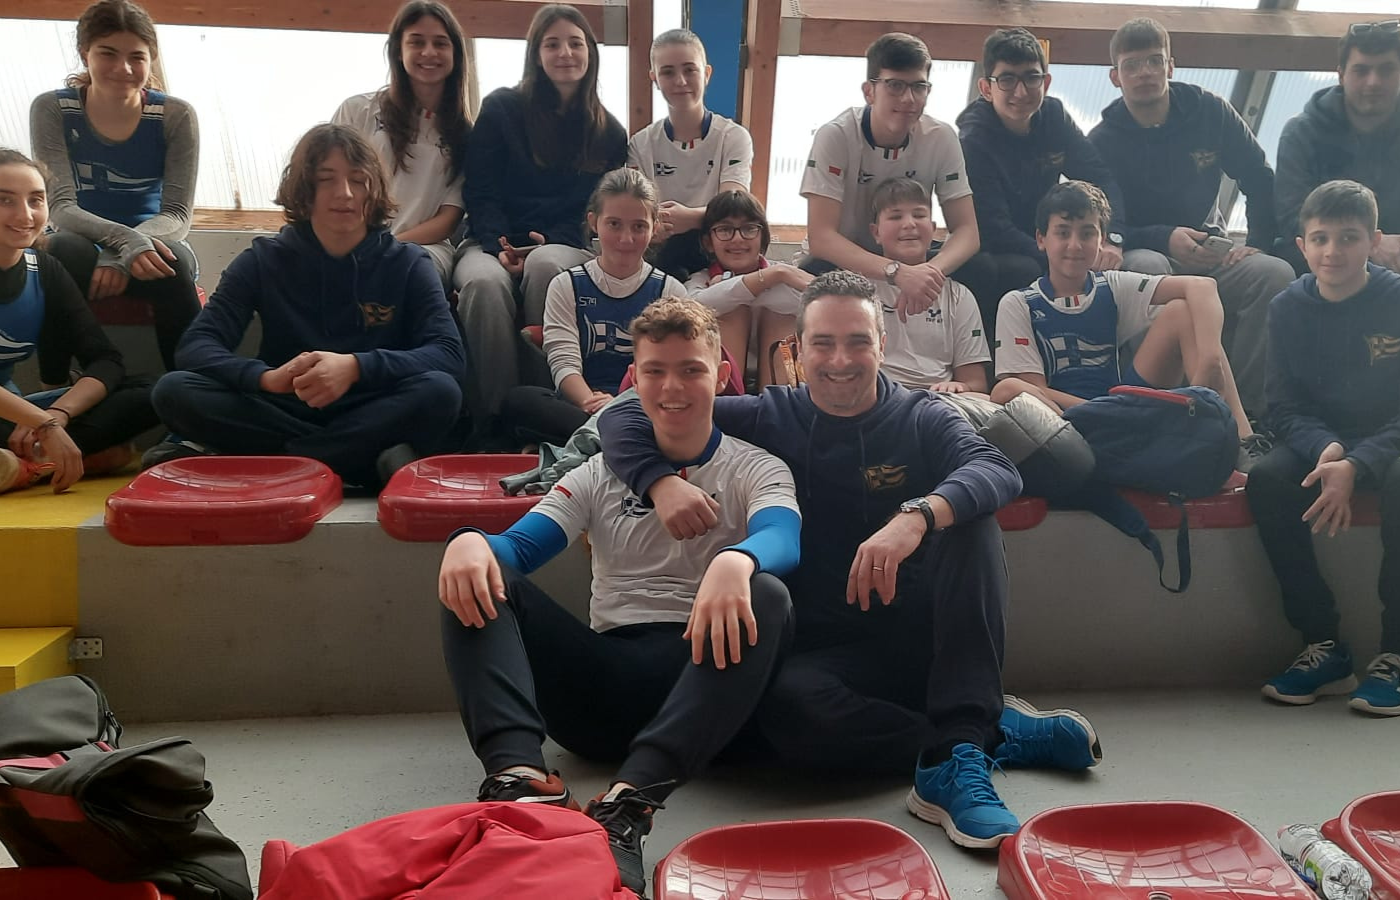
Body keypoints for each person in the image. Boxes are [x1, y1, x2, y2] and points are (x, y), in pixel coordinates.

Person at [600, 271, 1101, 851]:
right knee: (787, 714)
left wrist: (916, 515)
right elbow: (622, 416)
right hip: (829, 654)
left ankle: (954, 754)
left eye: (858, 341)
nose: (840, 360)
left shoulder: (922, 415)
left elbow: (996, 469)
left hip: (928, 638)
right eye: (824, 343)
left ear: (882, 346)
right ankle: (983, 733)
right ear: (796, 350)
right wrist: (659, 482)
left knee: (971, 521)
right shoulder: (768, 415)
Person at [439, 296, 800, 893]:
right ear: (634, 379)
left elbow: (783, 536)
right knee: (474, 571)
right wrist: (470, 541)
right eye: (655, 371)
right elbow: (520, 548)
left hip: (703, 682)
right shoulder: (597, 472)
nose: (672, 387)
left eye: (691, 370)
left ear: (722, 375)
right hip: (601, 690)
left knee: (769, 593)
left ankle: (628, 805)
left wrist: (737, 559)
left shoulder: (757, 468)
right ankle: (519, 781)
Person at [146, 124, 464, 488]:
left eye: (358, 180)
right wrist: (265, 378)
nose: (345, 193)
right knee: (173, 391)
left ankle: (280, 464)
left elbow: (448, 354)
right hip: (286, 406)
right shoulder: (263, 259)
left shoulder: (408, 262)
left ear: (373, 189)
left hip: (372, 405)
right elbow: (196, 346)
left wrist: (355, 367)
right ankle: (355, 463)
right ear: (304, 189)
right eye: (327, 180)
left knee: (440, 392)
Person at [1087, 17, 1294, 419]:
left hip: (1212, 254)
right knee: (1148, 269)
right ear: (1115, 77)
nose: (1145, 72)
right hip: (1147, 254)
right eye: (1132, 65)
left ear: (1171, 66)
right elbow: (1105, 226)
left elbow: (1258, 176)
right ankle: (1168, 412)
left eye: (1154, 61)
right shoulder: (1102, 142)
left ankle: (1247, 416)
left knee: (1274, 273)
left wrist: (1257, 243)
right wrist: (1164, 237)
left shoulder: (1210, 111)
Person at [1247, 180, 1400, 717]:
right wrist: (1329, 451)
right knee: (1267, 480)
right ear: (1302, 246)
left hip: (1390, 442)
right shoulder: (1287, 307)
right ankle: (1325, 646)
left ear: (1374, 241)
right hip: (1323, 441)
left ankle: (1396, 653)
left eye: (1349, 237)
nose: (1333, 251)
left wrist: (1359, 463)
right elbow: (1282, 406)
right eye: (1321, 238)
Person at [992, 182, 1266, 469]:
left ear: (1101, 240)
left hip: (1122, 408)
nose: (1074, 245)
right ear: (1041, 239)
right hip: (1064, 419)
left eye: (1087, 234)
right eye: (1062, 233)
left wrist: (1210, 363)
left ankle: (1242, 442)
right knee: (1010, 388)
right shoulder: (1019, 303)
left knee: (1182, 312)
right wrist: (1105, 411)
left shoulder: (1110, 286)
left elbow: (1202, 286)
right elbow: (1033, 390)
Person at [452, 3, 627, 438]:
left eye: (575, 43)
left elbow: (590, 212)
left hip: (561, 243)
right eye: (552, 44)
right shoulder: (501, 109)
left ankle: (544, 416)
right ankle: (493, 422)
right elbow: (481, 190)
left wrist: (543, 244)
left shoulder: (609, 131)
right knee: (483, 285)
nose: (565, 53)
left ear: (590, 53)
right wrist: (499, 245)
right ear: (536, 53)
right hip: (489, 240)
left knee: (548, 266)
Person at [29, 0, 202, 373]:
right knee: (60, 251)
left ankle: (187, 391)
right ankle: (54, 385)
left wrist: (124, 252)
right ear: (85, 54)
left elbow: (177, 214)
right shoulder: (53, 109)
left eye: (136, 57)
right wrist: (121, 244)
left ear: (151, 60)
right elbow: (59, 207)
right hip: (80, 240)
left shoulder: (174, 116)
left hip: (152, 240)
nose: (123, 68)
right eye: (108, 53)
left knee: (175, 261)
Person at [0, 148, 157, 493]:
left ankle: (26, 465)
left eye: (36, 200)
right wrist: (42, 424)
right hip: (13, 417)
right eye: (5, 200)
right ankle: (55, 460)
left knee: (153, 391)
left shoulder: (44, 269)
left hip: (12, 417)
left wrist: (57, 415)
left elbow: (105, 361)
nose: (25, 215)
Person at [955, 26, 1126, 339]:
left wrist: (1112, 237)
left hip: (1050, 237)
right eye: (1007, 79)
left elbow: (1100, 178)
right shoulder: (973, 139)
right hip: (1002, 247)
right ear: (986, 88)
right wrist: (1058, 254)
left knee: (1111, 269)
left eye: (1031, 78)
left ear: (1045, 82)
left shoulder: (1054, 116)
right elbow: (992, 227)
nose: (1021, 92)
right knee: (1021, 271)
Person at [799, 33, 980, 323]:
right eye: (895, 85)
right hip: (843, 259)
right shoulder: (836, 136)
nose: (908, 99)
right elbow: (821, 238)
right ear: (869, 91)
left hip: (913, 256)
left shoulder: (941, 137)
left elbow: (968, 232)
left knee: (985, 269)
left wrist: (929, 272)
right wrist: (896, 273)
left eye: (919, 87)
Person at [502, 167, 685, 445]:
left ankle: (600, 443)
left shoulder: (670, 291)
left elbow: (671, 372)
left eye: (639, 226)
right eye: (614, 224)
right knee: (519, 401)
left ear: (655, 227)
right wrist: (595, 405)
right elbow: (564, 362)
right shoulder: (566, 285)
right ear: (594, 222)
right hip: (582, 406)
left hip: (644, 406)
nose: (626, 239)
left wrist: (620, 404)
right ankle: (614, 441)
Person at [332, 0, 476, 284]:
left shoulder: (465, 135)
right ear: (398, 50)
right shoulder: (357, 111)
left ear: (456, 54)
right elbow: (328, 187)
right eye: (417, 42)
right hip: (353, 240)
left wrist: (386, 246)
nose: (429, 52)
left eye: (440, 43)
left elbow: (448, 219)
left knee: (405, 268)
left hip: (426, 247)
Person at [1274, 20, 1400, 276]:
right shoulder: (1301, 133)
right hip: (1322, 263)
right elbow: (1292, 218)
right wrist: (1369, 246)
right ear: (1341, 75)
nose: (1373, 82)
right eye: (1361, 71)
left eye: (1386, 70)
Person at [629, 28, 754, 283]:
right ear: (654, 78)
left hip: (718, 249)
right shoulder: (640, 144)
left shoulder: (733, 137)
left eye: (689, 70)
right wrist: (653, 227)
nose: (680, 81)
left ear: (706, 74)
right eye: (668, 72)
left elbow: (734, 207)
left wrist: (690, 218)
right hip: (660, 254)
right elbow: (635, 213)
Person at [869, 178, 989, 393]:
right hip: (879, 396)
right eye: (896, 216)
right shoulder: (858, 291)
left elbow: (976, 384)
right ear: (876, 232)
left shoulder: (958, 296)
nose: (909, 224)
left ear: (933, 229)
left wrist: (958, 386)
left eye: (919, 215)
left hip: (939, 400)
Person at [685, 190, 810, 388]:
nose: (737, 239)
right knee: (731, 312)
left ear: (763, 237)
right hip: (722, 385)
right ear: (708, 242)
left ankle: (778, 403)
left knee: (781, 315)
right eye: (725, 230)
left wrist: (775, 275)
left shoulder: (784, 273)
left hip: (781, 379)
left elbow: (818, 303)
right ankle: (728, 402)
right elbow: (692, 308)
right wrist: (767, 279)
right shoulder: (701, 279)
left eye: (749, 229)